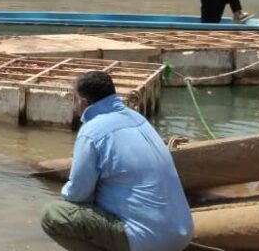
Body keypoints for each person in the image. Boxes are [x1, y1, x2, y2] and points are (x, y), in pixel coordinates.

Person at [41, 71, 193, 251]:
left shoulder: (91, 132)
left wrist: (67, 189)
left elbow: (77, 195)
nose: (74, 107)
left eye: (73, 100)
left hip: (146, 241)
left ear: (83, 102)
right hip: (183, 232)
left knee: (53, 215)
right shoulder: (138, 118)